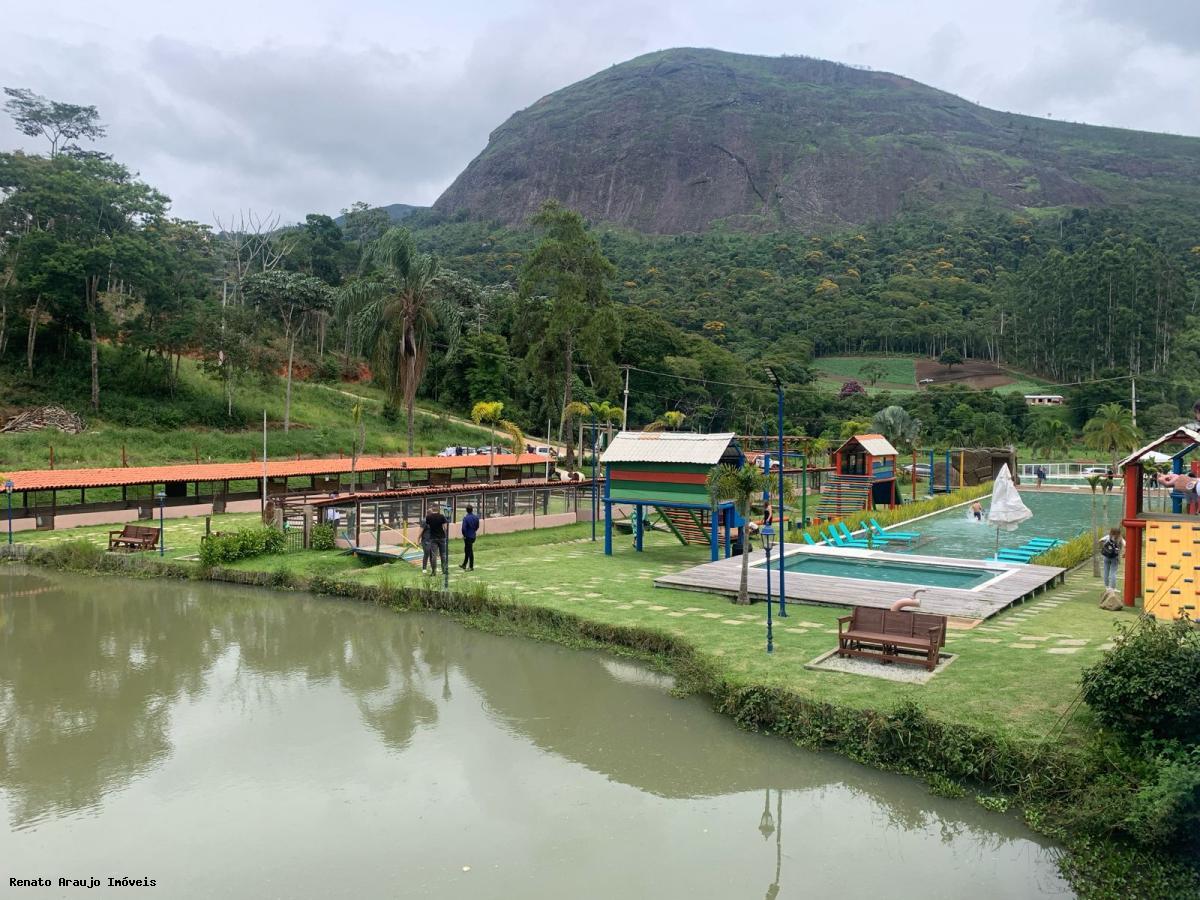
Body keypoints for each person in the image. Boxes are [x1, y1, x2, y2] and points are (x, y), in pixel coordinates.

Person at [425, 505, 448, 575]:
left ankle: (433, 571)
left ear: (432, 509)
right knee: (443, 554)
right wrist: (445, 534)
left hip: (433, 537)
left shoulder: (428, 517)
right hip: (441, 537)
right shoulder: (442, 516)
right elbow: (445, 527)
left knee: (434, 555)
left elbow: (428, 526)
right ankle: (444, 570)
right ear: (438, 509)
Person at [460, 504, 480, 570]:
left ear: (466, 510)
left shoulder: (466, 518)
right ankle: (464, 564)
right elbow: (477, 526)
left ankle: (471, 566)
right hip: (473, 535)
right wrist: (474, 531)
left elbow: (463, 528)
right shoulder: (476, 517)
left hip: (468, 536)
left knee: (469, 550)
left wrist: (464, 535)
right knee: (467, 549)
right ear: (472, 510)